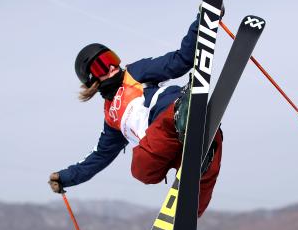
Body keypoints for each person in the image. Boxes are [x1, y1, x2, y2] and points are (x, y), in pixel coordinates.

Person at [48, 13, 223, 217]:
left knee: (204, 175)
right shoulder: (111, 119)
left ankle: (184, 114)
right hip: (160, 148)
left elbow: (181, 59)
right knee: (141, 170)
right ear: (91, 79)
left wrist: (203, 23)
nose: (112, 66)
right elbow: (99, 157)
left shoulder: (136, 72)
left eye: (112, 58)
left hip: (167, 115)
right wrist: (66, 177)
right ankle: (187, 213)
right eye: (102, 64)